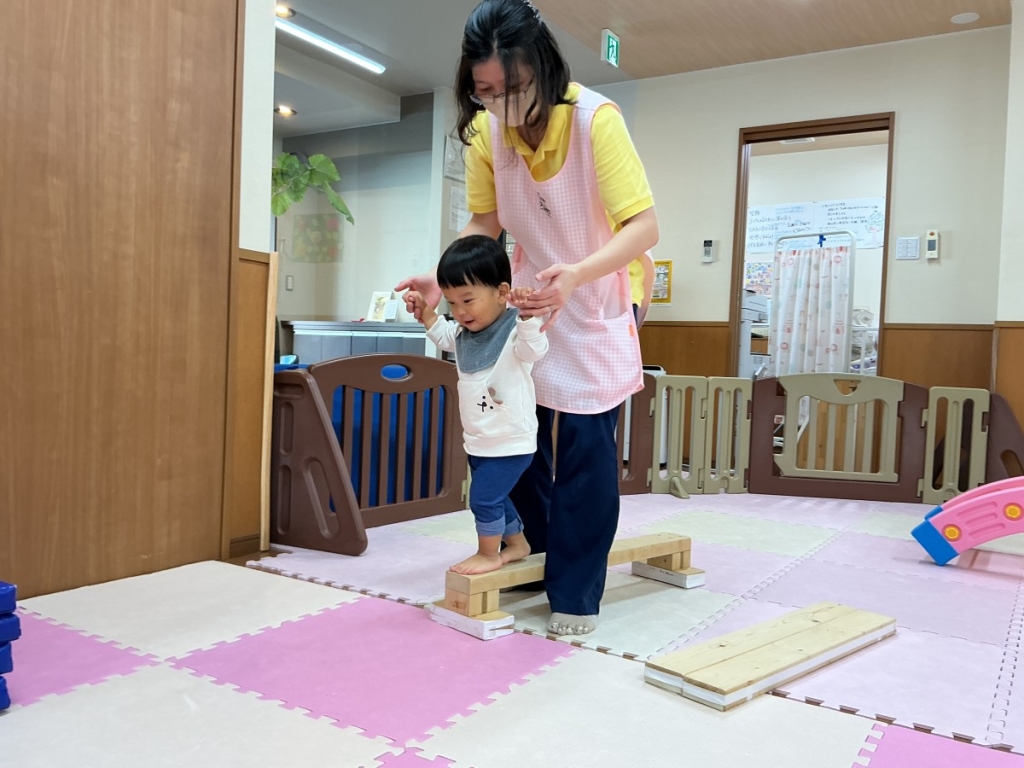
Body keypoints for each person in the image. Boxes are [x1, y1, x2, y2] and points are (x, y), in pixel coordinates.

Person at [397, 0, 658, 635]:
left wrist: (577, 275)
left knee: (584, 450)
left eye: (511, 89)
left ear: (541, 68)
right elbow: (485, 223)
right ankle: (537, 558)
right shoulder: (486, 132)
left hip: (598, 291)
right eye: (484, 92)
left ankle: (576, 592)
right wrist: (448, 275)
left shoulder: (596, 120)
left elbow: (644, 227)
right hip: (528, 298)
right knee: (524, 438)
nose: (499, 104)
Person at [405, 234, 548, 575]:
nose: (460, 312)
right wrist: (426, 313)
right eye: (452, 303)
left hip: (511, 439)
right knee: (497, 497)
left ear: (501, 293)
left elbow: (534, 352)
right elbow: (443, 336)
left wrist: (529, 319)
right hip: (480, 439)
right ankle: (517, 543)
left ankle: (488, 553)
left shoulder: (514, 329)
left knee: (483, 499)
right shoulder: (464, 334)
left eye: (468, 300)